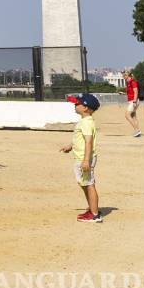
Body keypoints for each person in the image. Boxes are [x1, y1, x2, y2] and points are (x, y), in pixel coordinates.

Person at [59, 92, 101, 223]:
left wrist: (85, 160)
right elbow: (81, 140)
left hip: (84, 159)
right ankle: (92, 209)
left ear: (86, 108)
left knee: (89, 184)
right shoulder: (84, 121)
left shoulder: (86, 123)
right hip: (81, 157)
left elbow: (88, 141)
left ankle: (95, 214)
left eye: (77, 104)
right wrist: (70, 146)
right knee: (84, 184)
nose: (75, 105)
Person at [123, 70, 142, 138]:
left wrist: (134, 102)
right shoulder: (128, 82)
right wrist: (124, 93)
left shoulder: (132, 82)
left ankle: (137, 130)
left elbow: (136, 92)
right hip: (132, 101)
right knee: (133, 116)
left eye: (124, 75)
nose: (123, 76)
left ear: (128, 75)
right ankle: (137, 131)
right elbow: (131, 92)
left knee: (127, 115)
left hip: (134, 101)